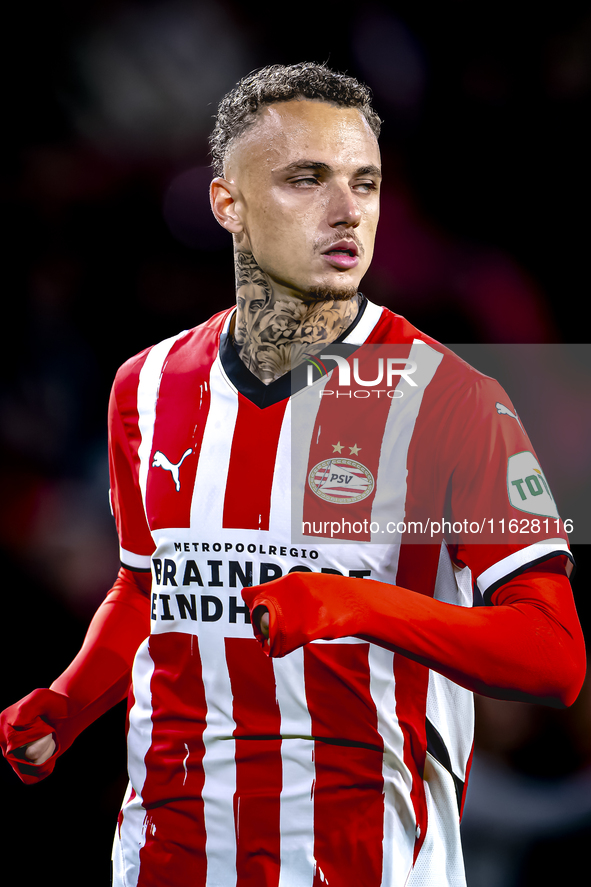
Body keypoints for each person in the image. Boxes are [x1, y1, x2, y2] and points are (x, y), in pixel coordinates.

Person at [0, 62, 585, 887]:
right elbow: (145, 587)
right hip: (166, 851)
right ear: (226, 203)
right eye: (306, 179)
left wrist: (353, 602)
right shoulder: (146, 382)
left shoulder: (449, 396)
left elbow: (556, 657)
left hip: (368, 857)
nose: (347, 209)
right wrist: (69, 700)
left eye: (365, 182)